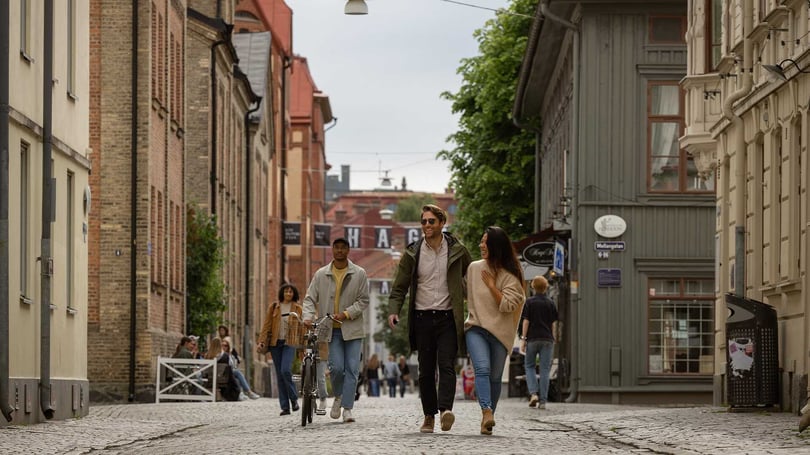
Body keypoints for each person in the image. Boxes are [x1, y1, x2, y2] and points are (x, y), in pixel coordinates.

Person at [387, 204, 472, 433]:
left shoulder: (458, 251)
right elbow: (399, 287)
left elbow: (472, 277)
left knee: (446, 365)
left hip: (448, 318)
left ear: (442, 223)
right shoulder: (413, 253)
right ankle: (429, 417)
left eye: (431, 221)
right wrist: (393, 311)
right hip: (422, 318)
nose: (426, 225)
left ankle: (445, 411)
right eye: (423, 221)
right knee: (425, 370)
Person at [464, 226, 525, 435]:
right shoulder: (474, 268)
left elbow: (508, 305)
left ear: (495, 246)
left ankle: (487, 420)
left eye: (485, 242)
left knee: (495, 378)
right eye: (481, 241)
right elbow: (463, 292)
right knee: (482, 369)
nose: (481, 245)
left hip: (500, 333)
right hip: (476, 328)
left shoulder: (510, 275)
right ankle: (486, 411)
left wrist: (492, 286)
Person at [303, 237, 370, 424]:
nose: (340, 251)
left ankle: (347, 409)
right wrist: (307, 316)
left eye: (343, 248)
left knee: (352, 369)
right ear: (332, 250)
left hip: (352, 329)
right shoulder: (321, 274)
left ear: (348, 250)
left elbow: (364, 300)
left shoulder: (359, 273)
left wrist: (346, 314)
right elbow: (310, 298)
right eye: (336, 247)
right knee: (336, 368)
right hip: (331, 330)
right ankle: (339, 396)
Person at [257, 283, 304, 415]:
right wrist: (261, 341)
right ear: (282, 293)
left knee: (285, 370)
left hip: (290, 342)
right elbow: (267, 325)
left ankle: (293, 398)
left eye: (291, 292)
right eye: (286, 291)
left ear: (294, 294)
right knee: (280, 375)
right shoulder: (274, 307)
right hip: (275, 343)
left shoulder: (298, 309)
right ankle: (285, 407)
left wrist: (302, 347)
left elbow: (301, 328)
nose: (288, 293)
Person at [520, 275, 559, 410]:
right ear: (546, 287)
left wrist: (523, 339)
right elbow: (554, 324)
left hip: (533, 338)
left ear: (533, 287)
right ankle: (543, 401)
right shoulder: (551, 303)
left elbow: (526, 321)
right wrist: (553, 337)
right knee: (545, 370)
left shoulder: (529, 302)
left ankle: (533, 393)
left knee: (529, 366)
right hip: (547, 339)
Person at [206, 337, 240, 401]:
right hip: (223, 379)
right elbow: (230, 366)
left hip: (209, 378)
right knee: (235, 377)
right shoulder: (225, 355)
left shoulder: (207, 355)